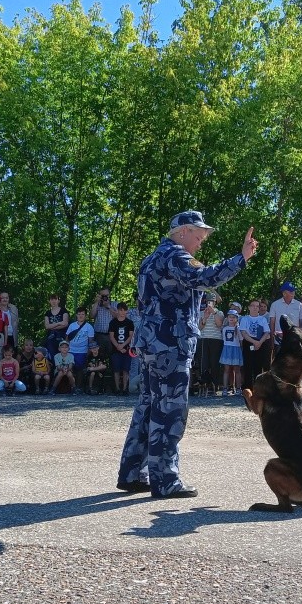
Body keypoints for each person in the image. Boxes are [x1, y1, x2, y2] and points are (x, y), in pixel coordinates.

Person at [116, 211, 257, 498]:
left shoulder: (151, 259)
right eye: (199, 235)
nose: (201, 241)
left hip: (152, 343)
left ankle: (132, 473)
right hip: (171, 344)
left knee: (148, 407)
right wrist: (241, 258)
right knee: (170, 410)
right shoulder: (176, 255)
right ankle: (165, 480)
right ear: (183, 232)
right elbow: (205, 277)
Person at [238, 299, 271, 391]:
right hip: (248, 342)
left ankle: (258, 388)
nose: (255, 308)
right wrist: (254, 342)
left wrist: (259, 342)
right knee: (248, 365)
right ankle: (248, 388)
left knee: (258, 366)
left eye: (257, 306)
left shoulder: (263, 319)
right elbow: (244, 333)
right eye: (253, 306)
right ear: (249, 307)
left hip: (260, 343)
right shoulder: (245, 319)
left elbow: (266, 332)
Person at [65, 307, 95, 392]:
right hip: (71, 350)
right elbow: (67, 338)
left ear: (85, 315)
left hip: (82, 351)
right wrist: (66, 350)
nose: (81, 316)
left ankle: (78, 387)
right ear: (76, 315)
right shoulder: (72, 325)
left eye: (82, 314)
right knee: (69, 369)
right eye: (79, 314)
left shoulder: (89, 327)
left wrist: (88, 352)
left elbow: (91, 341)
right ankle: (71, 387)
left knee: (80, 370)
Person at [109, 302, 137, 394]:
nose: (122, 312)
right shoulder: (113, 322)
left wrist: (123, 345)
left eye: (124, 310)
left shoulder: (129, 322)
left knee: (126, 370)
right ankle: (117, 389)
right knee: (116, 370)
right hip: (115, 350)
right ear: (117, 311)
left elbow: (131, 336)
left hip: (127, 350)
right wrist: (118, 346)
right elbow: (111, 336)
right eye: (120, 310)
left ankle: (125, 389)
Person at [269, 282, 302, 349]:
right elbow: (272, 323)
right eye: (290, 291)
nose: (293, 293)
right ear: (284, 293)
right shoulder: (275, 305)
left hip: (295, 340)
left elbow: (301, 323)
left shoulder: (299, 305)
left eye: (293, 291)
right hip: (279, 341)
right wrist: (272, 340)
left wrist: (301, 338)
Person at [219, 309, 244, 396]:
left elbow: (241, 340)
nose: (231, 318)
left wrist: (241, 350)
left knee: (237, 370)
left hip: (236, 350)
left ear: (237, 318)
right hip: (227, 350)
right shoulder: (224, 328)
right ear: (227, 318)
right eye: (230, 317)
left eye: (233, 317)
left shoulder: (239, 329)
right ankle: (225, 388)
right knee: (226, 370)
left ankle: (238, 388)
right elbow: (223, 340)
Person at [90, 287, 118, 360]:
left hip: (112, 336)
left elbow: (118, 317)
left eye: (107, 295)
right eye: (103, 295)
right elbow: (92, 316)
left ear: (110, 295)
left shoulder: (115, 304)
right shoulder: (97, 305)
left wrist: (108, 306)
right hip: (99, 336)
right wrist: (96, 302)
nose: (105, 297)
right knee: (100, 357)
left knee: (112, 358)